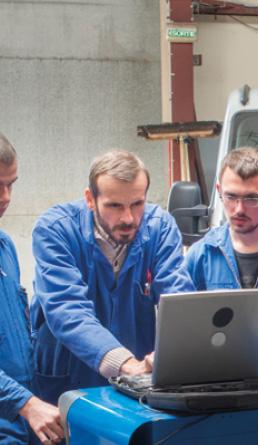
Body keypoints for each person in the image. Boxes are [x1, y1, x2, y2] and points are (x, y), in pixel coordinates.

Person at [30, 151, 193, 405]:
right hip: (68, 377)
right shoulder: (56, 230)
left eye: (138, 204)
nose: (128, 218)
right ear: (90, 199)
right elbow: (66, 308)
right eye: (114, 206)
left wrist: (168, 356)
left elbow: (179, 297)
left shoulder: (159, 227)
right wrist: (124, 363)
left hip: (136, 378)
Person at [185, 148, 258, 352]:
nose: (239, 209)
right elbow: (182, 331)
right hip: (219, 376)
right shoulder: (201, 256)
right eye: (231, 197)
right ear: (219, 190)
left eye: (251, 199)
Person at [0, 134, 64, 444]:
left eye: (11, 184)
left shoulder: (4, 246)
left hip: (20, 427)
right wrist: (25, 403)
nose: (5, 197)